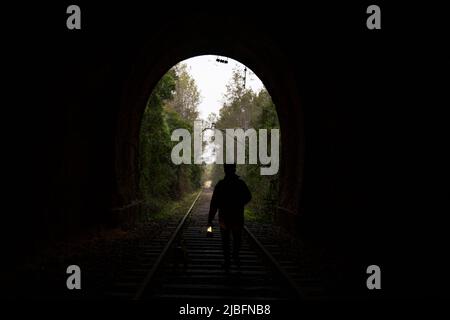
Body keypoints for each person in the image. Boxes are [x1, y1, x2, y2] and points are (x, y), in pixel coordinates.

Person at [207, 164, 252, 270]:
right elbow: (248, 197)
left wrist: (210, 220)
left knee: (225, 240)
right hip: (237, 217)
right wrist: (240, 204)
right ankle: (235, 256)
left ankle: (227, 261)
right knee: (237, 238)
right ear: (234, 169)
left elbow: (214, 204)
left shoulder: (220, 185)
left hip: (224, 218)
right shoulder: (240, 184)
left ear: (225, 170)